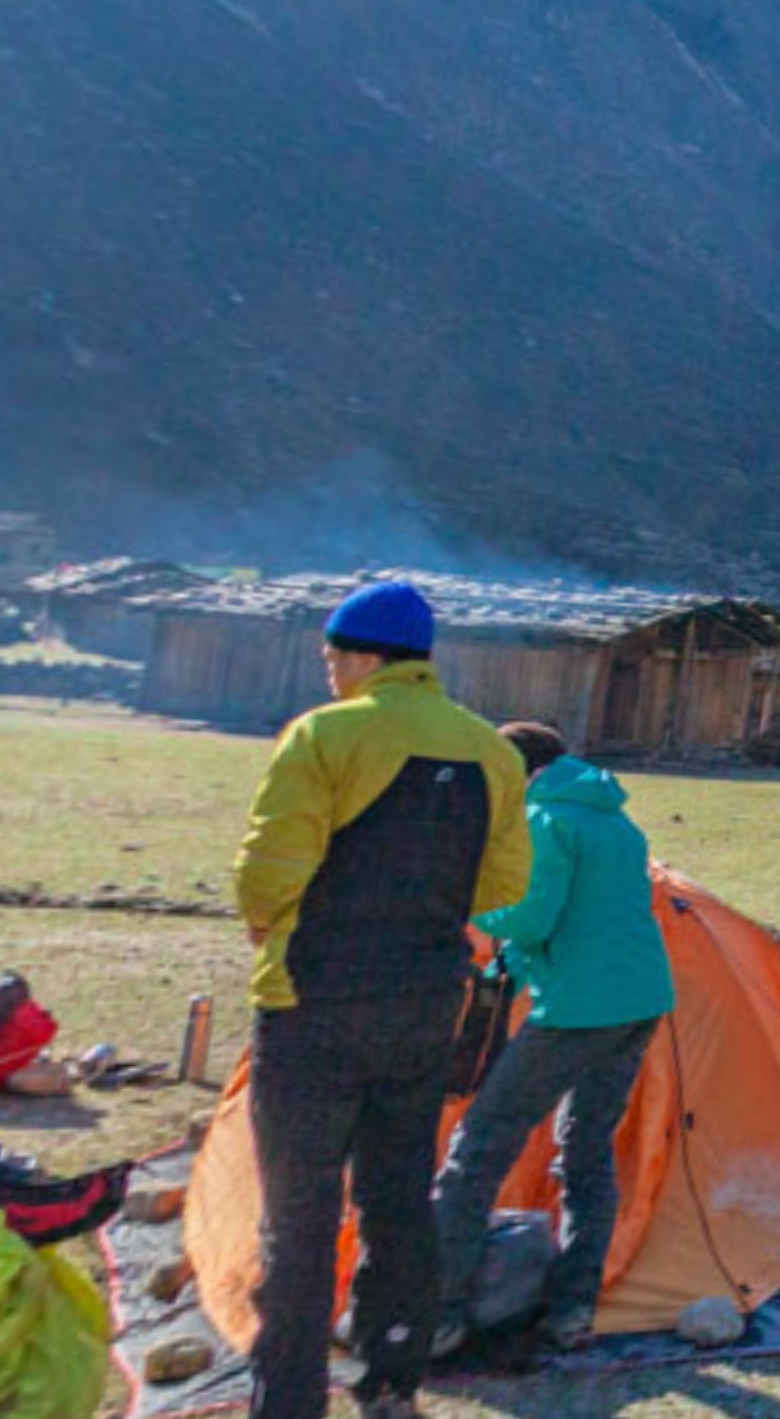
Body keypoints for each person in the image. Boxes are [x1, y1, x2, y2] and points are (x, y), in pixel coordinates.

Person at [230, 581, 528, 1419]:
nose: (330, 676)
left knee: (299, 1212)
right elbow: (505, 883)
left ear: (362, 657)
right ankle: (393, 1379)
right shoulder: (492, 752)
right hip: (426, 1004)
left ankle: (289, 1400)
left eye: (332, 661)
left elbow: (267, 872)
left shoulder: (326, 735)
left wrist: (269, 924)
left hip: (312, 1006)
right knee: (399, 1198)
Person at [428, 720, 675, 1356]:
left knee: (478, 1146)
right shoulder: (617, 821)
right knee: (586, 1149)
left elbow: (535, 918)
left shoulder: (545, 819)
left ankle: (442, 1311)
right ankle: (572, 1311)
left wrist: (471, 909)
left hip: (578, 1011)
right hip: (640, 1002)